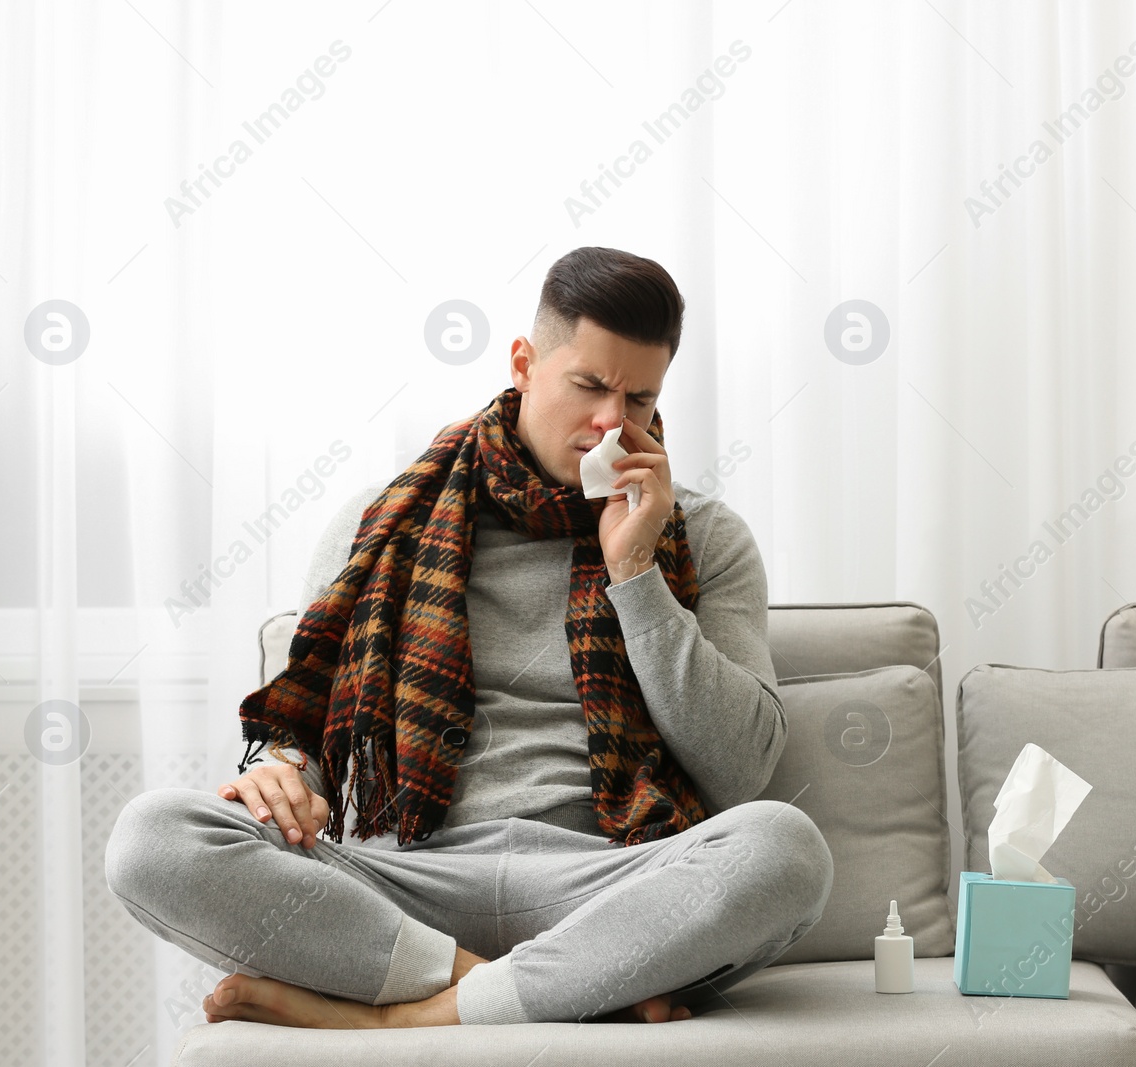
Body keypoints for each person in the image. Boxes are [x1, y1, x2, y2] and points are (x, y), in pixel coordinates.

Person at [104, 246, 834, 1030]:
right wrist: (282, 769)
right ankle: (524, 987)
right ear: (525, 363)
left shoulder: (704, 536)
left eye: (640, 398)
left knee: (784, 848)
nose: (611, 424)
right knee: (153, 837)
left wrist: (635, 572)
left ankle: (407, 1015)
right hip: (404, 883)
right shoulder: (378, 523)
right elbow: (306, 738)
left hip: (603, 883)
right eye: (589, 385)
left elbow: (741, 770)